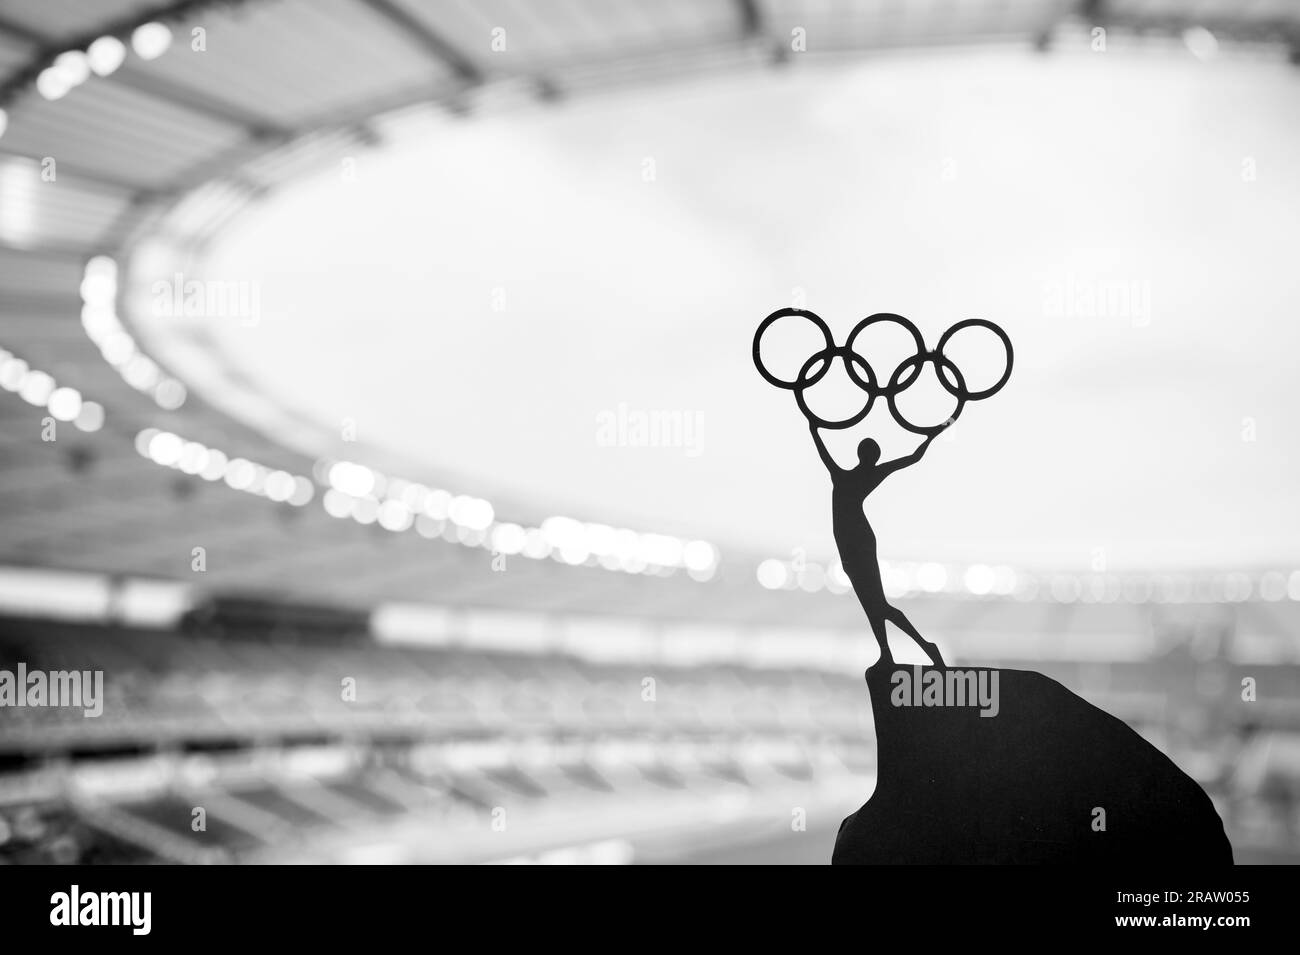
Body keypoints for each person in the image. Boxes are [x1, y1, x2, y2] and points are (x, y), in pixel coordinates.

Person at [810, 423, 945, 666]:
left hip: (856, 543)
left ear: (861, 454)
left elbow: (822, 452)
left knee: (877, 604)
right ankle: (887, 654)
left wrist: (814, 429)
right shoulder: (868, 474)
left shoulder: (842, 476)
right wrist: (932, 435)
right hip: (853, 544)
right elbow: (913, 457)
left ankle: (923, 647)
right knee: (871, 604)